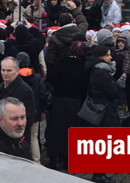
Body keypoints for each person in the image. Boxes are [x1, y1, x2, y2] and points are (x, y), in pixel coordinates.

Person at [45, 41, 89, 170]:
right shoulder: (84, 66)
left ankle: (53, 159)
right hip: (75, 101)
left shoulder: (63, 62)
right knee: (72, 130)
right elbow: (85, 86)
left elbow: (51, 77)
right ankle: (68, 160)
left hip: (60, 99)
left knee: (56, 129)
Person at [84, 44, 119, 183]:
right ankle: (99, 175)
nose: (110, 57)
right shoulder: (101, 73)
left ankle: (100, 173)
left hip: (101, 108)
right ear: (100, 57)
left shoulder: (96, 70)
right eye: (107, 55)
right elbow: (114, 92)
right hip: (104, 110)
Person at [45, 1, 88, 74]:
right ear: (72, 21)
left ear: (59, 23)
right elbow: (83, 22)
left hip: (60, 71)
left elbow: (50, 60)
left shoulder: (54, 38)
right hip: (77, 69)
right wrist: (75, 9)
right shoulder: (80, 31)